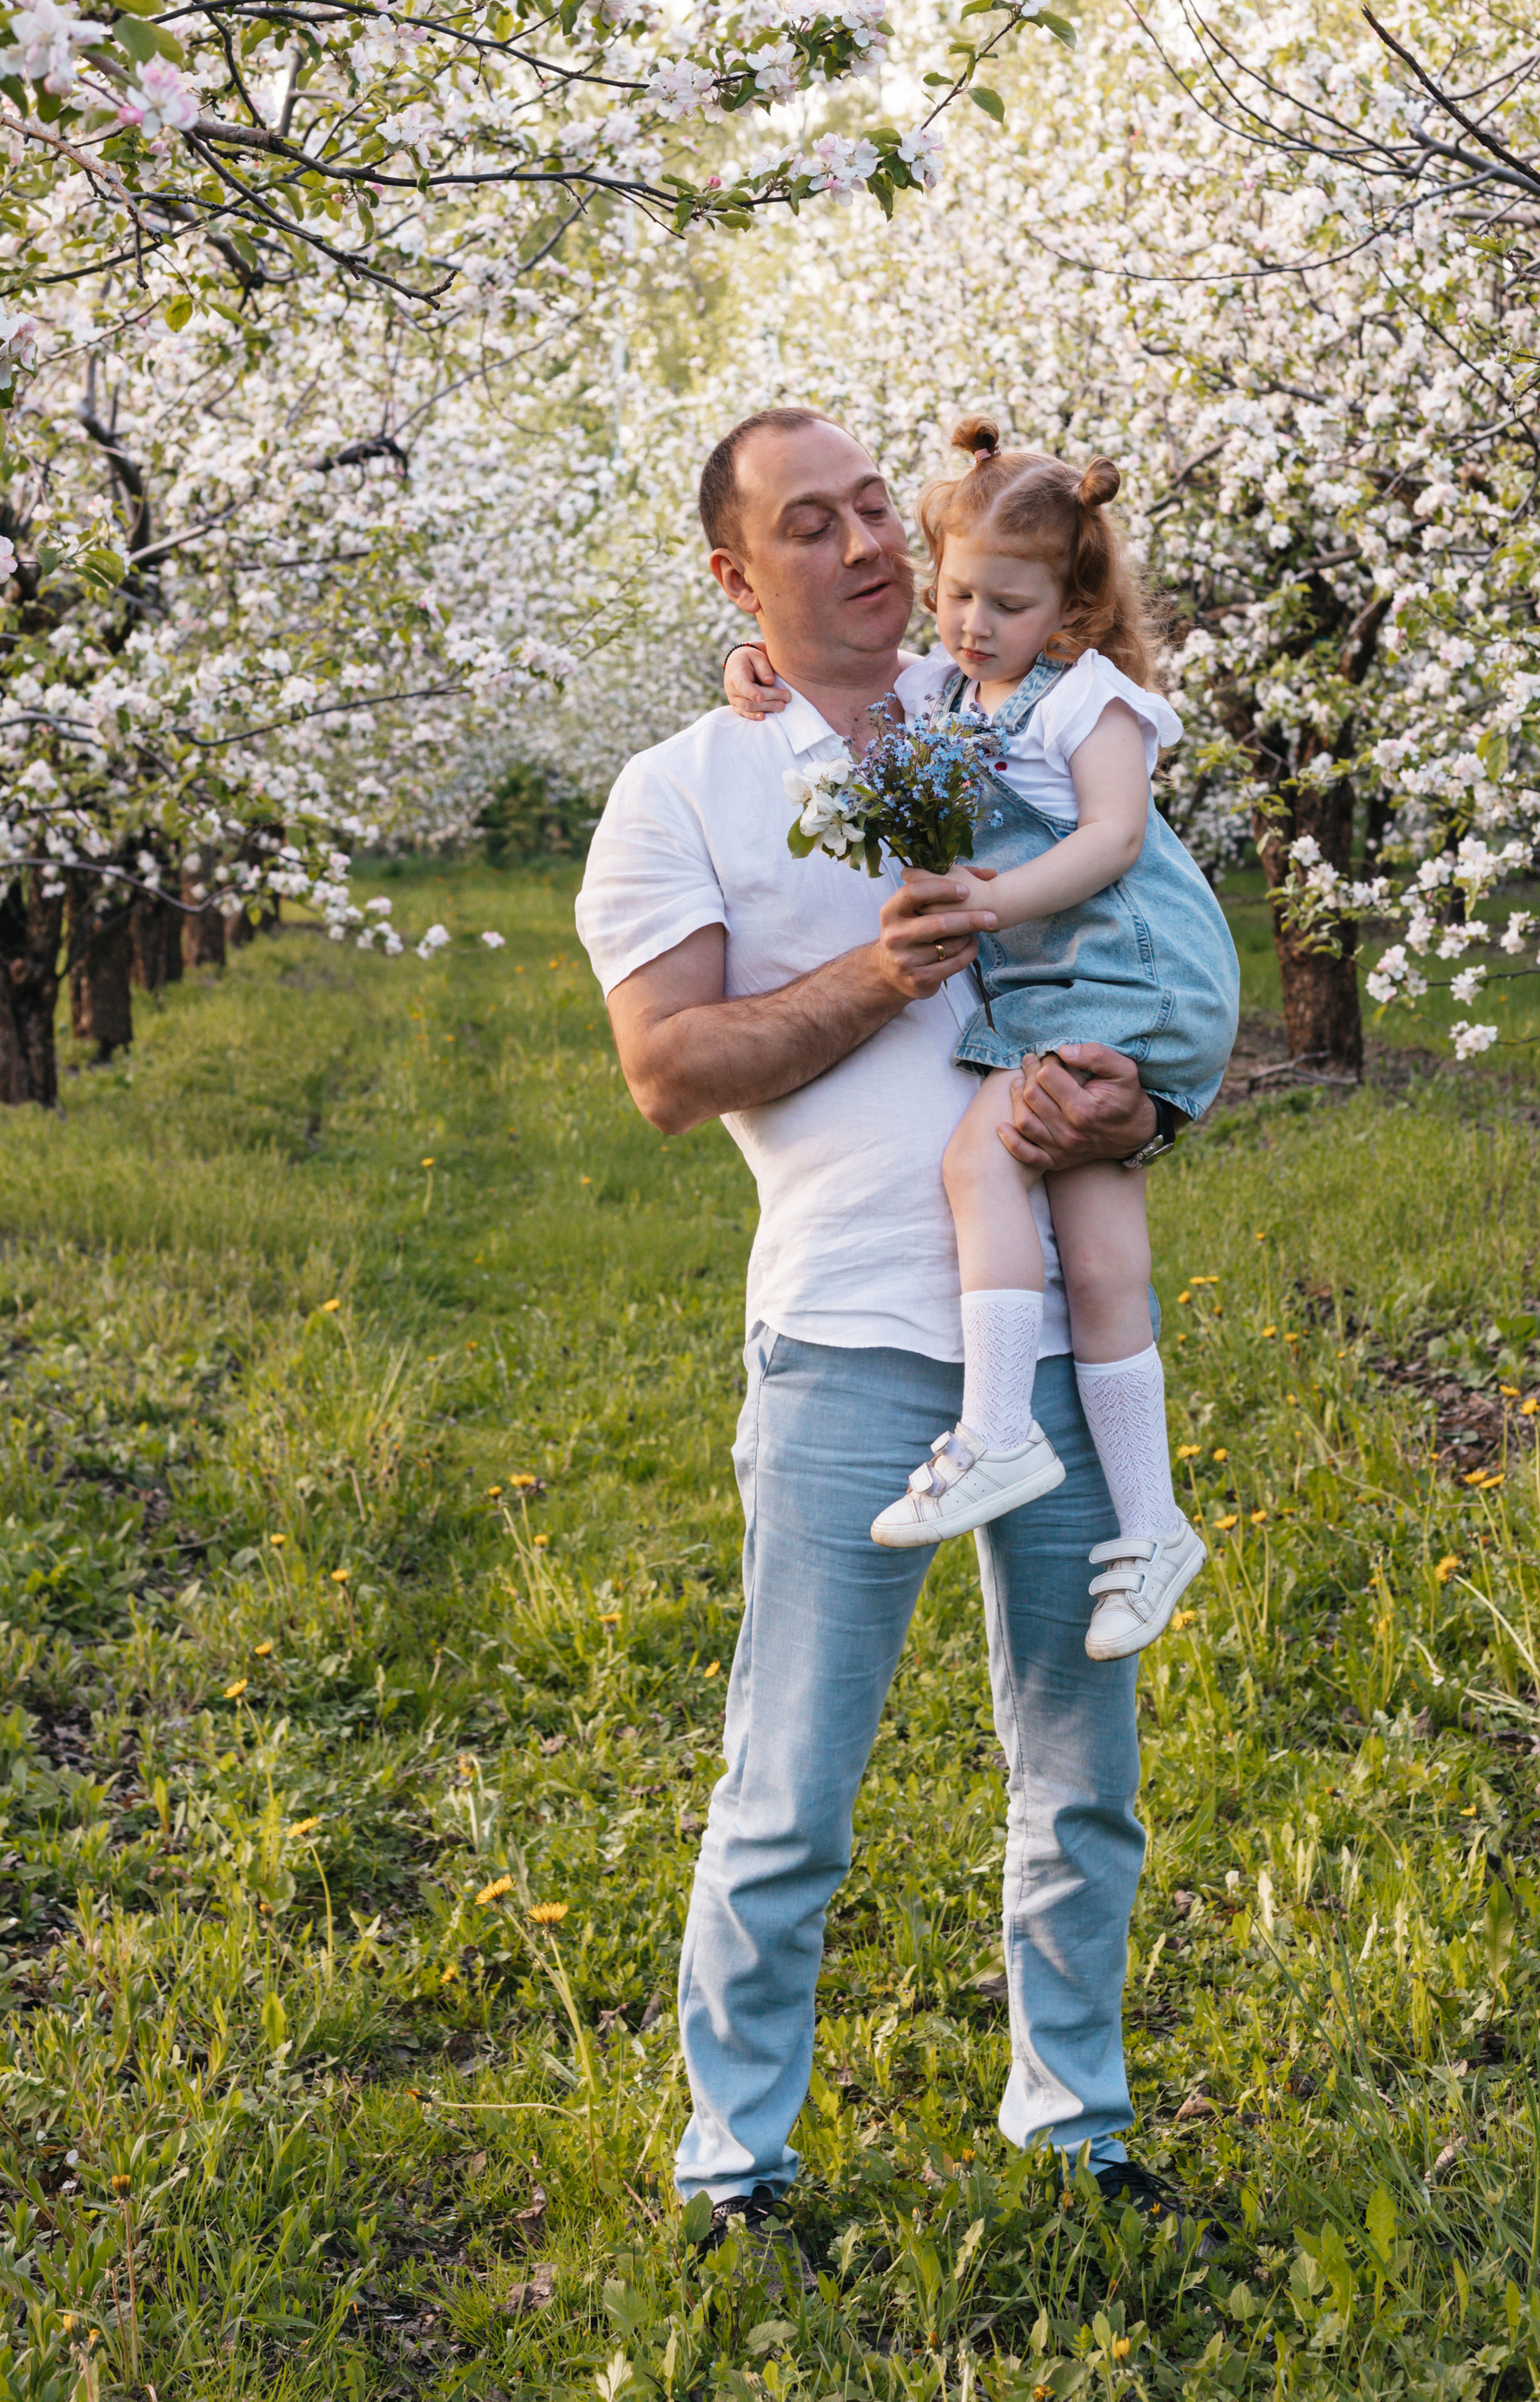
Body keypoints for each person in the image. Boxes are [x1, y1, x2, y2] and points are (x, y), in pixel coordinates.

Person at [574, 405, 1201, 2255]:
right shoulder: (681, 790)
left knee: (1081, 1778)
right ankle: (733, 2164)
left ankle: (1074, 2127)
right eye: (809, 524)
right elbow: (667, 1070)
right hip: (848, 1337)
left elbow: (1147, 932)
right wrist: (875, 969)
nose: (860, 546)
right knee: (790, 1783)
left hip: (1055, 1337)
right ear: (732, 575)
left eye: (874, 511)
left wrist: (1148, 1103)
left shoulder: (998, 704)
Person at [725, 417, 1238, 1660]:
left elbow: (1114, 838)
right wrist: (753, 669)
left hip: (1129, 977)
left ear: (1069, 612)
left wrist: (991, 902)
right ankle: (1155, 1525)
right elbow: (851, 696)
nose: (968, 624)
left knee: (977, 1159)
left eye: (1006, 606)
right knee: (1103, 1268)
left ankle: (999, 1430)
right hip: (1075, 990)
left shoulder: (1091, 698)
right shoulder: (955, 689)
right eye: (954, 595)